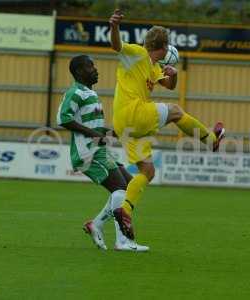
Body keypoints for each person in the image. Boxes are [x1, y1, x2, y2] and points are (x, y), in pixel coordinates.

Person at [109, 9, 225, 240]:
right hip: (134, 113)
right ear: (162, 47)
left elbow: (170, 86)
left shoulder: (153, 67)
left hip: (128, 125)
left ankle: (126, 210)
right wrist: (113, 27)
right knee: (175, 111)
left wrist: (173, 74)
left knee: (147, 171)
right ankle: (211, 140)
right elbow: (117, 46)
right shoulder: (138, 53)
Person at [56, 54, 148, 251]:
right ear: (79, 71)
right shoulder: (75, 92)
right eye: (91, 67)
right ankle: (122, 241)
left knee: (131, 185)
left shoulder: (91, 94)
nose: (96, 70)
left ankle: (96, 224)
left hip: (99, 150)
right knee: (121, 190)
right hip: (88, 153)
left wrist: (117, 132)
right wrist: (93, 134)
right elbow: (63, 118)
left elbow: (95, 129)